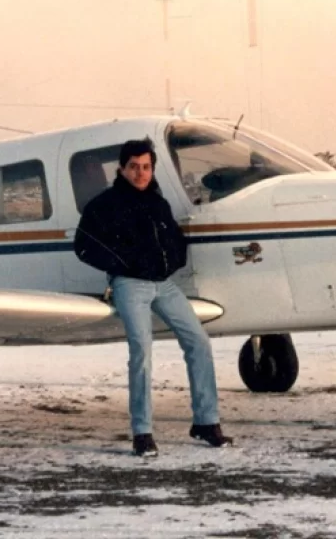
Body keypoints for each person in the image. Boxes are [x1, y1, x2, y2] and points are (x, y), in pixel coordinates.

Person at [74, 138, 232, 457]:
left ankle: (206, 422)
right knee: (142, 350)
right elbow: (84, 244)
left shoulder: (158, 204)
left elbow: (175, 240)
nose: (140, 173)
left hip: (164, 285)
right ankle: (142, 432)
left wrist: (172, 262)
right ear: (121, 168)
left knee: (198, 341)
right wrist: (124, 265)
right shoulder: (105, 204)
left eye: (146, 167)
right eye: (134, 167)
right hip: (130, 285)